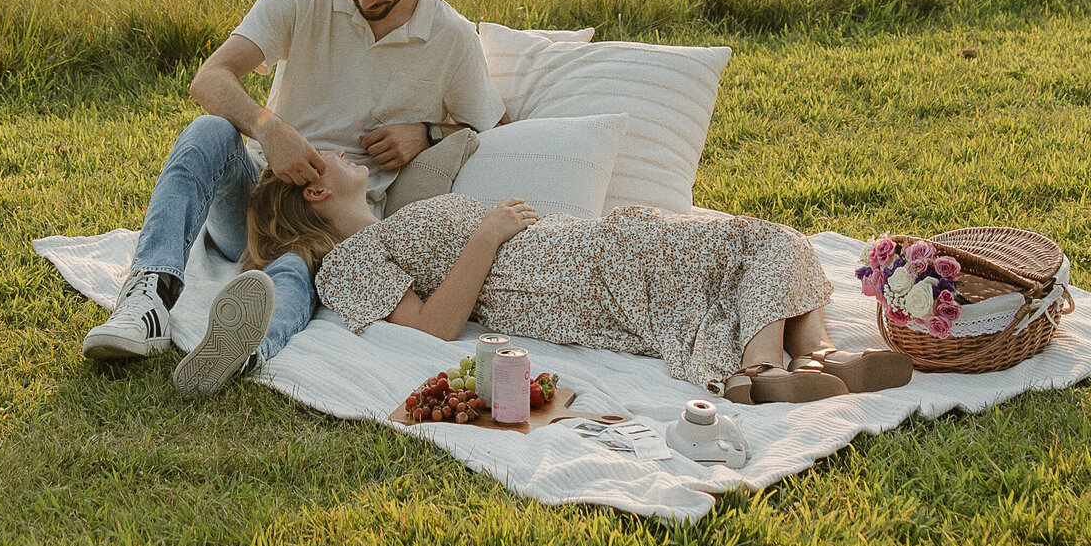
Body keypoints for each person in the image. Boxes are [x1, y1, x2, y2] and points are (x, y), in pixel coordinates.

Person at [82, 0, 506, 395]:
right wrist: (267, 126)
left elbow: (493, 125)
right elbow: (210, 79)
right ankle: (148, 299)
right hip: (257, 195)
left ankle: (245, 350)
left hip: (332, 223)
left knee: (292, 267)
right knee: (209, 130)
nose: (365, 0)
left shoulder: (449, 37)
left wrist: (429, 132)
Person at [242, 154, 912, 400]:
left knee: (758, 248)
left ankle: (790, 366)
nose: (331, 153)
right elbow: (433, 329)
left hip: (567, 251)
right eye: (318, 158)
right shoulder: (351, 264)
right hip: (551, 273)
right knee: (762, 242)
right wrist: (485, 234)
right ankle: (784, 362)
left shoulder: (387, 223)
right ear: (312, 194)